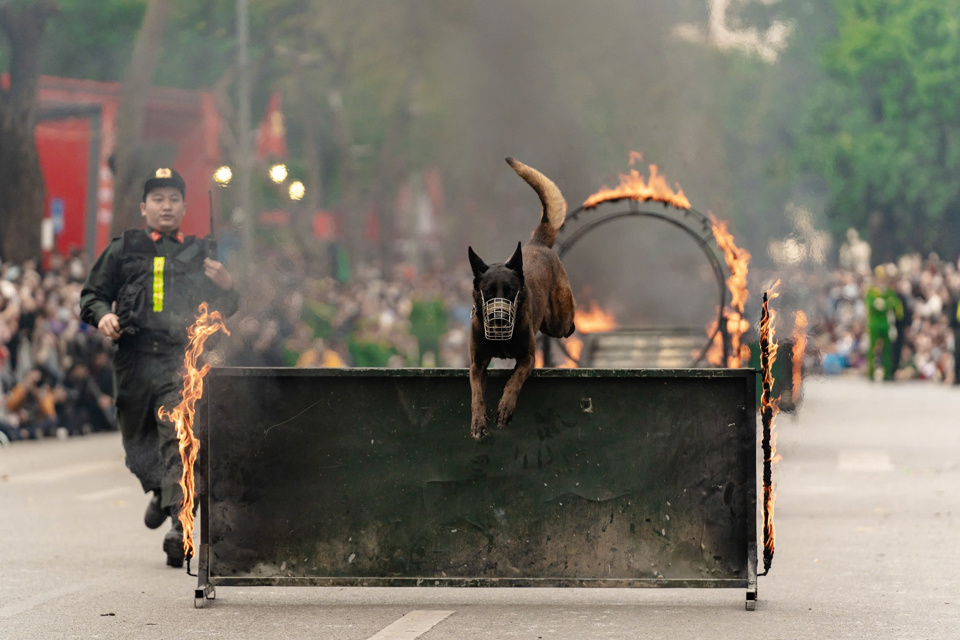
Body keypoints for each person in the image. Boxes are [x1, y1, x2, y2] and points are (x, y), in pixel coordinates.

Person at [80, 168, 239, 567]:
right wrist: (103, 317)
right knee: (138, 448)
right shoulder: (124, 249)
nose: (165, 206)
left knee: (178, 438)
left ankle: (178, 526)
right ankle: (159, 492)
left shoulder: (202, 253)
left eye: (173, 199)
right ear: (144, 207)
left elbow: (224, 311)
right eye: (158, 199)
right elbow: (92, 295)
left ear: (184, 207)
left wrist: (226, 285)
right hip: (133, 359)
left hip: (179, 359)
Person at [864, 265, 903, 381]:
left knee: (887, 350)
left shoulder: (889, 292)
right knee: (872, 349)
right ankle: (871, 373)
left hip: (885, 324)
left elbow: (894, 303)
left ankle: (887, 373)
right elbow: (870, 303)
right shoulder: (871, 291)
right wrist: (878, 304)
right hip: (874, 323)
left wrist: (883, 304)